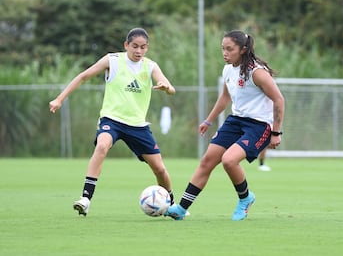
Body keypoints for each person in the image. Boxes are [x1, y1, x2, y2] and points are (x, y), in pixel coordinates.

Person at [49, 27, 176, 216]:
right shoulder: (113, 60)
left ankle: (172, 204)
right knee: (102, 146)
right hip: (112, 120)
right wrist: (60, 99)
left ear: (147, 48)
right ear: (126, 45)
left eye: (142, 47)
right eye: (134, 46)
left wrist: (166, 88)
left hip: (138, 126)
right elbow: (83, 76)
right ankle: (85, 199)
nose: (138, 51)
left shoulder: (150, 66)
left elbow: (170, 87)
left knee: (159, 169)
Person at [165, 30, 285, 221]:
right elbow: (225, 97)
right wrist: (208, 120)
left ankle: (245, 199)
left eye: (230, 49)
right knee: (207, 161)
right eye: (223, 49)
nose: (225, 53)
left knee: (229, 160)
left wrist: (276, 132)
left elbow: (279, 100)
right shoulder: (228, 69)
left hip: (259, 125)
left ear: (243, 50)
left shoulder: (257, 72)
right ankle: (181, 208)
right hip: (236, 120)